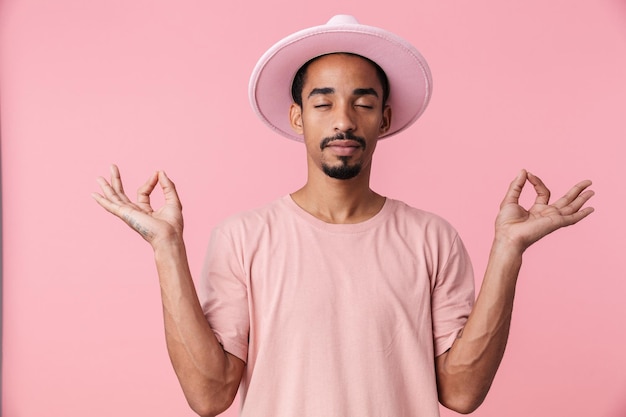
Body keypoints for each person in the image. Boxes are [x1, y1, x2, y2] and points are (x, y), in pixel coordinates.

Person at [92, 15, 595, 417]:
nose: (343, 120)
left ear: (385, 118)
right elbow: (209, 397)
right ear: (298, 118)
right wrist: (166, 248)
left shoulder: (432, 238)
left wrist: (508, 250)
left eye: (363, 102)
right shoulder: (243, 237)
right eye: (323, 102)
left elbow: (462, 393)